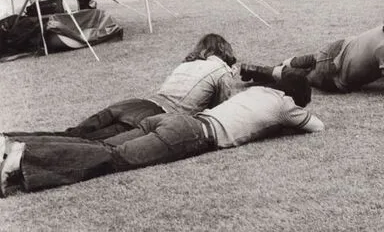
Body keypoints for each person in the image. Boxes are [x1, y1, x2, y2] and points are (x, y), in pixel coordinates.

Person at [0, 83, 323, 196]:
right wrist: (290, 114)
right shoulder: (286, 105)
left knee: (103, 146)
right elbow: (317, 126)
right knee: (115, 158)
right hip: (191, 133)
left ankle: (16, 146)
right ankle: (24, 156)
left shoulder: (258, 90)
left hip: (171, 118)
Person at [4, 34, 237, 142]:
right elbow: (224, 111)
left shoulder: (189, 63)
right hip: (156, 115)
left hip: (137, 103)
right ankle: (16, 148)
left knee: (72, 133)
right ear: (224, 52)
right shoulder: (221, 71)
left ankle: (9, 137)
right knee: (85, 143)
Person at [240, 0, 384, 98]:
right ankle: (266, 71)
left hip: (339, 48)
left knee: (309, 59)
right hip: (334, 73)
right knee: (301, 77)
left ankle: (270, 67)